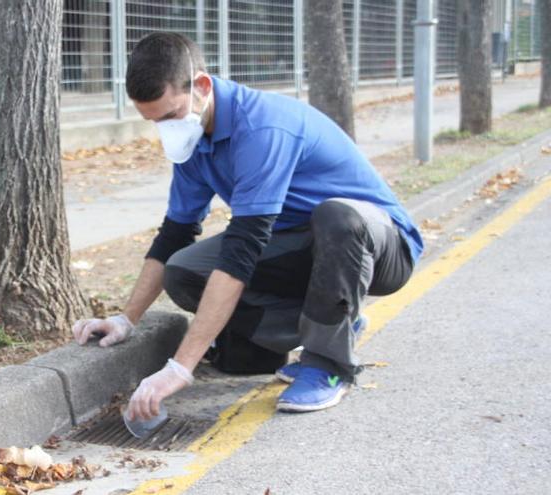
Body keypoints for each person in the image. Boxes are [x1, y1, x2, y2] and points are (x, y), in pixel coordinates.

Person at [72, 33, 422, 418]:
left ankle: (328, 364)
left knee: (335, 217)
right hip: (300, 245)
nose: (166, 129)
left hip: (379, 245)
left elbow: (243, 247)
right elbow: (175, 233)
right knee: (185, 271)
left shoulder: (262, 129)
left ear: (202, 87)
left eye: (170, 115)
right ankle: (334, 323)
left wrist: (180, 367)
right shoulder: (192, 139)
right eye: (153, 122)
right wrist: (126, 319)